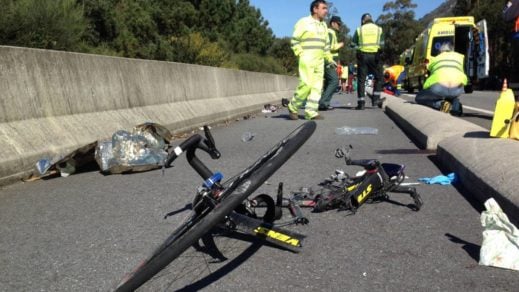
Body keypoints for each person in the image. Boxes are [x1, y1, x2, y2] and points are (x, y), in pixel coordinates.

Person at [287, 0, 335, 120]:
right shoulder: (304, 22)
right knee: (306, 85)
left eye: (326, 8)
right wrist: (300, 53)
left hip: (319, 61)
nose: (326, 11)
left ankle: (311, 112)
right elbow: (294, 40)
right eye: (323, 8)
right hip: (307, 59)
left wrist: (329, 59)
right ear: (315, 9)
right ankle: (293, 106)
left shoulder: (324, 25)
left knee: (317, 87)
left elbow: (326, 46)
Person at [415, 43, 467, 116]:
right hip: (457, 88)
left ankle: (441, 104)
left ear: (441, 51)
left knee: (419, 98)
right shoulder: (460, 57)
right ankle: (455, 106)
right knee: (452, 95)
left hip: (439, 88)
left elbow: (426, 68)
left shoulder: (435, 59)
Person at [352, 13, 384, 110]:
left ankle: (361, 103)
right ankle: (375, 100)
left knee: (361, 80)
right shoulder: (379, 29)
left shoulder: (359, 30)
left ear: (363, 21)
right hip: (375, 57)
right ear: (371, 19)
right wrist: (379, 51)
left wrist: (359, 50)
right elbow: (382, 45)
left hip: (363, 57)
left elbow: (353, 44)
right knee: (379, 78)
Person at [319, 15, 344, 110]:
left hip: (330, 60)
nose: (339, 26)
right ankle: (323, 102)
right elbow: (328, 47)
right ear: (333, 23)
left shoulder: (332, 33)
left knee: (328, 82)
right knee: (334, 81)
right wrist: (340, 45)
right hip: (328, 60)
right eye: (338, 24)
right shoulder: (330, 32)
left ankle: (324, 103)